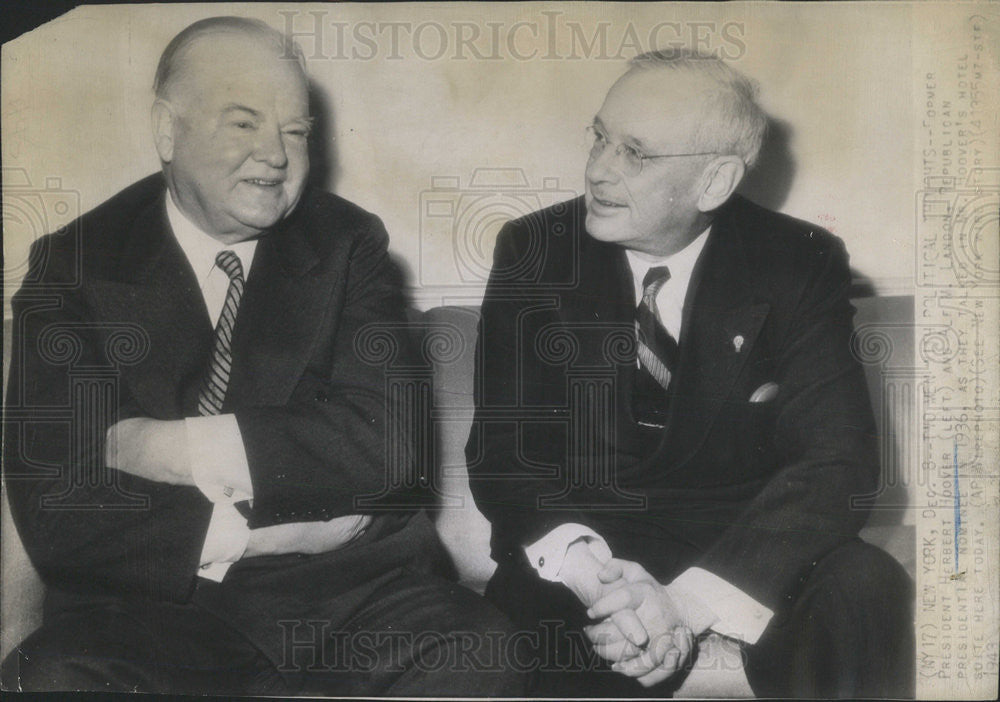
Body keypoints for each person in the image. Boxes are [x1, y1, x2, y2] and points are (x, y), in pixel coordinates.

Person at [2, 16, 521, 696]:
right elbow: (58, 507)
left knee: (484, 652)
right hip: (153, 612)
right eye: (243, 123)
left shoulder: (348, 243)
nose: (276, 154)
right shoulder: (73, 264)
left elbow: (389, 447)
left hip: (351, 597)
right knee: (56, 678)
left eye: (296, 130)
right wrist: (263, 536)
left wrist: (172, 448)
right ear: (167, 129)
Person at [468, 49, 914, 697]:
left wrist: (691, 602)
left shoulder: (797, 259)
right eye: (600, 137)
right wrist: (602, 585)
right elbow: (506, 457)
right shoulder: (534, 250)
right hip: (593, 545)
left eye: (636, 153)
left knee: (865, 584)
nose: (598, 169)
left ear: (715, 181)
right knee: (529, 613)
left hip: (748, 535)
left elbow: (835, 461)